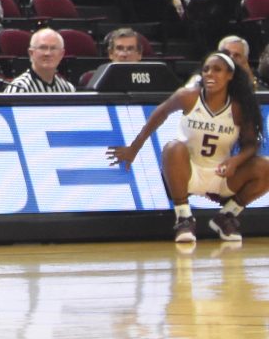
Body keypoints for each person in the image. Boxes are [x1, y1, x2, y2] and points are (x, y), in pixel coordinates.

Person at [109, 50, 267, 247]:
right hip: (187, 172)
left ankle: (226, 216)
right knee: (173, 147)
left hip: (221, 175)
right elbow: (158, 115)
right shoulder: (189, 96)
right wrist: (134, 148)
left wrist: (236, 161)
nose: (210, 74)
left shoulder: (238, 107)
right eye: (206, 69)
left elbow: (252, 144)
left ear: (230, 76)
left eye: (217, 70)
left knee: (265, 166)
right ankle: (183, 219)